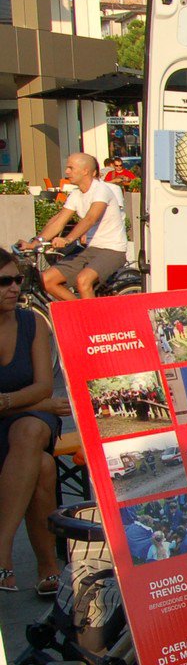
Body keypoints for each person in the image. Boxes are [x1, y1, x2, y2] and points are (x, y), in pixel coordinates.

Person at [0, 249, 66, 595]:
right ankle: (47, 567)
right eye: (4, 281)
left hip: (30, 417)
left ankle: (2, 548)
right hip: (28, 415)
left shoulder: (33, 322)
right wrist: (44, 403)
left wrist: (8, 402)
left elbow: (44, 384)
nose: (15, 288)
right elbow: (44, 396)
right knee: (41, 466)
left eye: (17, 280)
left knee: (30, 429)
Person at [24, 153, 129, 300]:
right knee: (47, 280)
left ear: (85, 170)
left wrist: (67, 239)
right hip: (90, 249)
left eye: (70, 168)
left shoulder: (101, 190)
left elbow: (90, 219)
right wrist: (34, 243)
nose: (66, 172)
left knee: (83, 280)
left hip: (112, 249)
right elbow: (59, 221)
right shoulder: (75, 194)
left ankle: (92, 322)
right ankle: (81, 312)